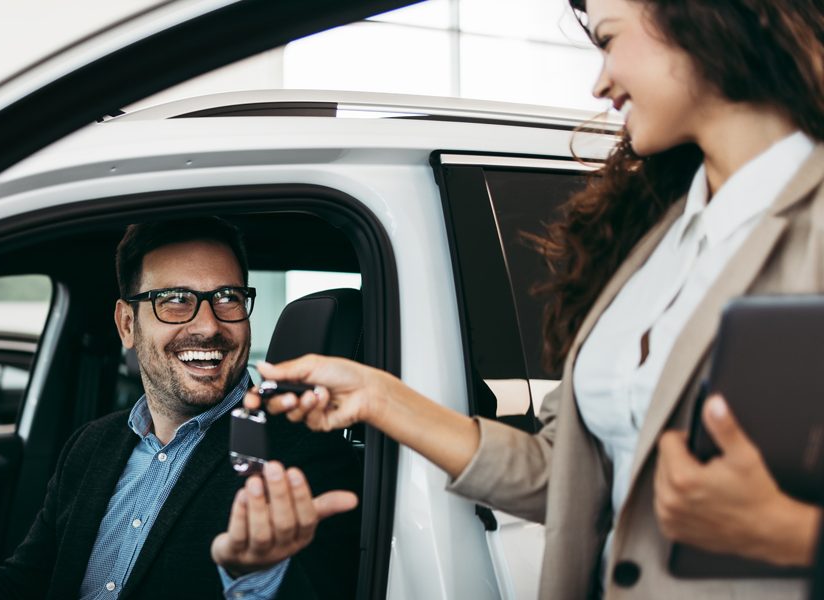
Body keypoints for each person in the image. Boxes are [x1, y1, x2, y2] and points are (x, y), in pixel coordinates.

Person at [244, 0, 824, 597]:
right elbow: (566, 478)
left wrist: (790, 532)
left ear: (704, 18)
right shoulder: (655, 236)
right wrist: (379, 397)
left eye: (608, 40)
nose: (600, 83)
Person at [0, 217, 361, 600]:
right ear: (127, 325)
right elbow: (27, 581)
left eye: (227, 297)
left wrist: (253, 579)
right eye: (175, 299)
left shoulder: (302, 457)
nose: (209, 325)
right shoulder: (90, 445)